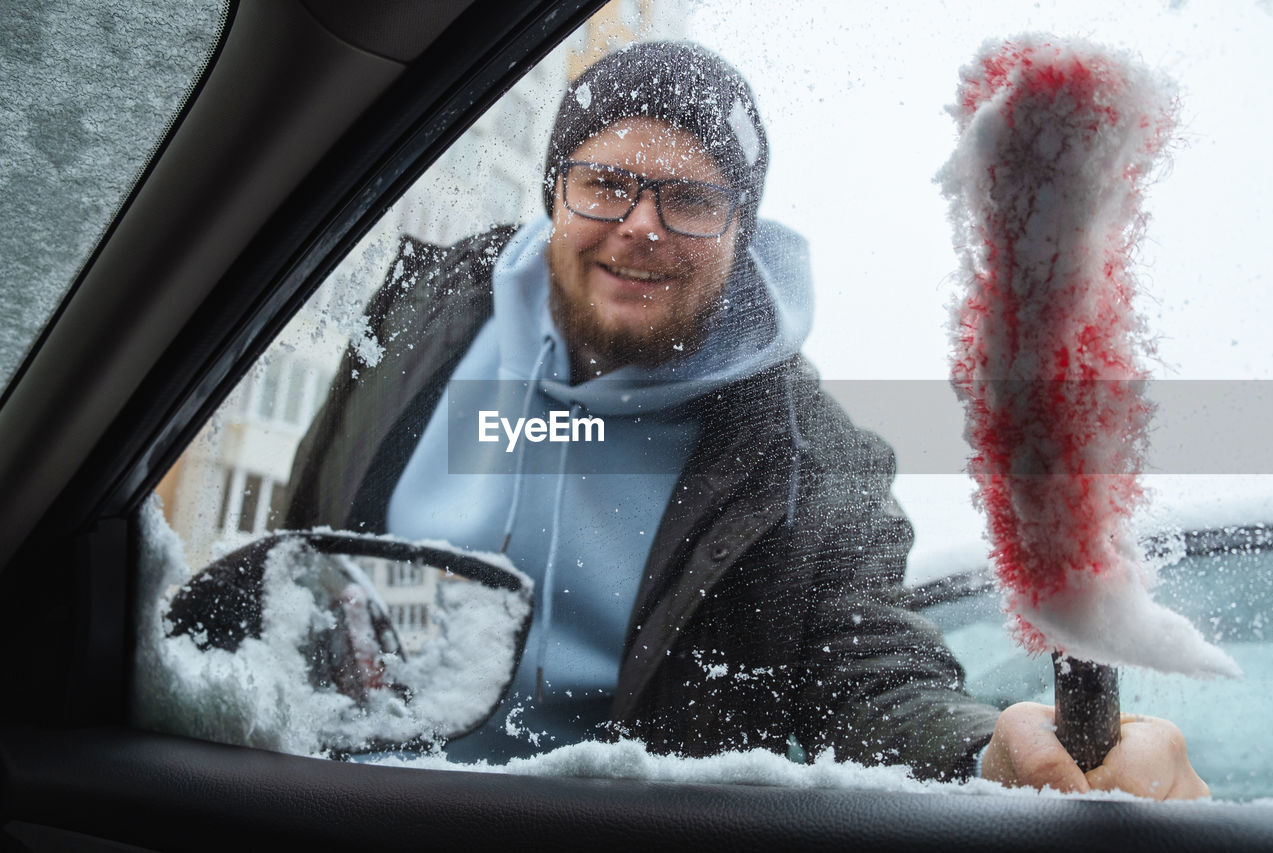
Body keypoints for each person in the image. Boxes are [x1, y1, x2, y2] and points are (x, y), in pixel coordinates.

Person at [285, 41, 1207, 797]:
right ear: (555, 190)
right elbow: (303, 541)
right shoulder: (419, 316)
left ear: (743, 228)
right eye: (606, 182)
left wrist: (988, 756)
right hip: (338, 806)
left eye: (690, 199)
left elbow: (877, 675)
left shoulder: (808, 456)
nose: (641, 225)